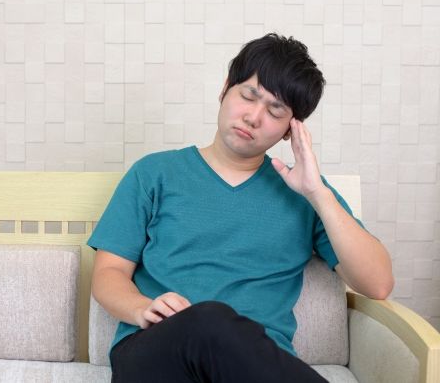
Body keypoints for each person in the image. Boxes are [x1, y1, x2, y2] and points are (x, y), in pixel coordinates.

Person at [86, 33, 394, 382]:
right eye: (248, 96)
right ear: (225, 90)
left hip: (251, 371)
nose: (253, 117)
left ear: (290, 131)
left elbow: (378, 284)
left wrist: (318, 193)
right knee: (208, 320)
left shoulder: (304, 194)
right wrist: (142, 308)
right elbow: (108, 273)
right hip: (156, 354)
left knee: (215, 326)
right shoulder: (154, 173)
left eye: (275, 111)